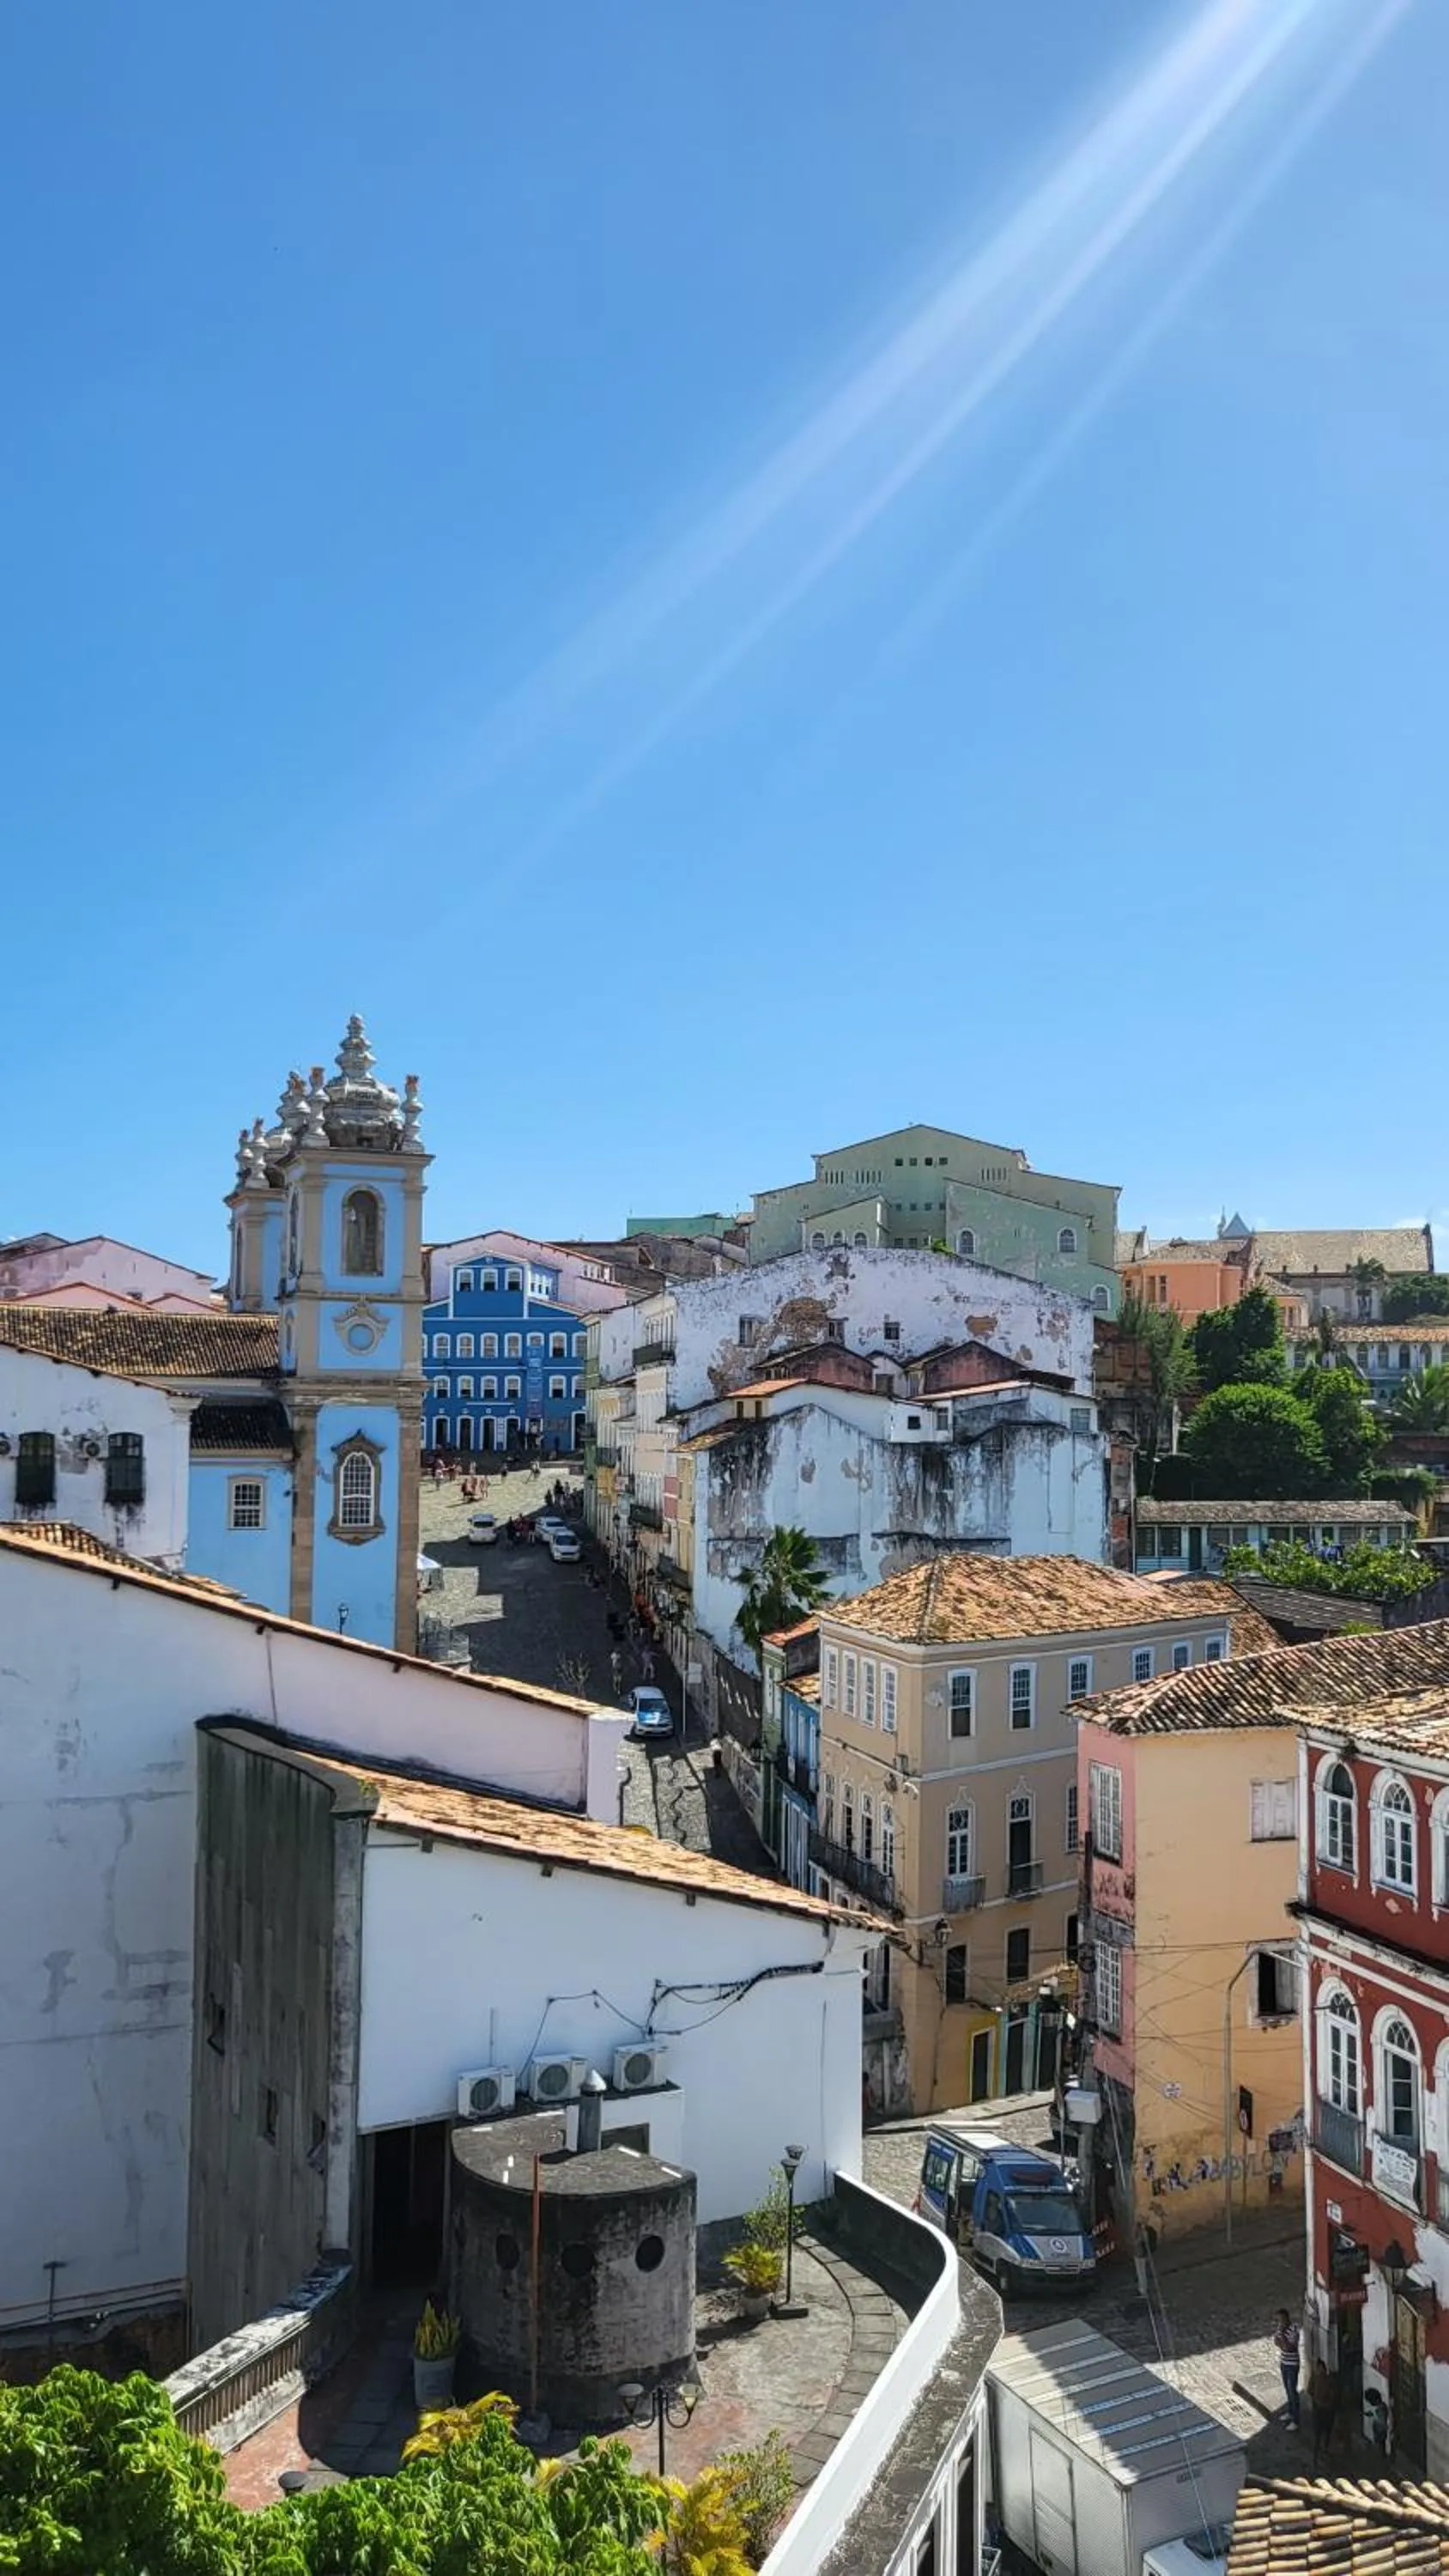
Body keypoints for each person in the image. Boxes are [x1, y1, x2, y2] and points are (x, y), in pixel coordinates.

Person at [1273, 2309, 1301, 2428]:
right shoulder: (1280, 2328)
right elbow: (1276, 2342)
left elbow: (1290, 2347)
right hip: (1284, 2362)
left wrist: (1283, 2338)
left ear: (1287, 2318)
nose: (1280, 2322)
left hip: (1292, 2364)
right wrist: (1282, 2342)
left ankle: (1296, 2420)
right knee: (1287, 2389)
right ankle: (1290, 2412)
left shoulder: (1294, 2329)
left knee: (1292, 2391)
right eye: (1278, 2320)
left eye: (1281, 2319)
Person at [1310, 2356, 1337, 2466]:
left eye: (1321, 2369)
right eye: (1318, 2369)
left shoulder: (1329, 2380)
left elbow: (1333, 2395)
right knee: (1318, 2434)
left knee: (1327, 2432)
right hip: (1319, 2410)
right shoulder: (1315, 2378)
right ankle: (1315, 2457)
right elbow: (1310, 2390)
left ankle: (1325, 2449)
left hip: (1327, 2410)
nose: (1320, 2371)